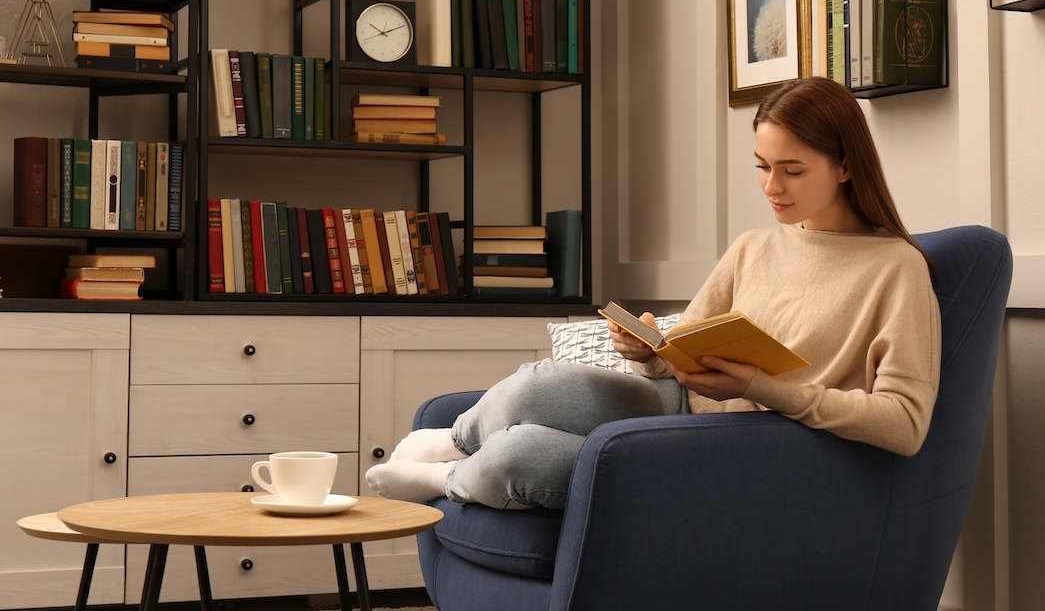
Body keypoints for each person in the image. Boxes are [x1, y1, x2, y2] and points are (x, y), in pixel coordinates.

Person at [366, 77, 941, 510]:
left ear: (844, 166)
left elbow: (906, 425)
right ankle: (456, 441)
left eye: (792, 169)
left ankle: (444, 480)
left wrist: (761, 386)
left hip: (751, 445)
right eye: (762, 166)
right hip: (680, 405)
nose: (772, 186)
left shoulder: (896, 269)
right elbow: (684, 350)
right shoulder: (755, 246)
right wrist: (651, 349)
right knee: (538, 384)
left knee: (522, 456)